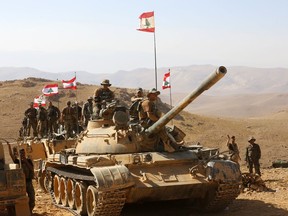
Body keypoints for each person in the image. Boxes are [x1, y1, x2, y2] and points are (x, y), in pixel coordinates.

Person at [14, 149, 35, 213]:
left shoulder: (28, 161)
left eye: (23, 153)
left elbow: (31, 169)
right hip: (20, 183)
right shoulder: (17, 162)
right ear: (19, 154)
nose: (22, 155)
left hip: (28, 182)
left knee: (32, 197)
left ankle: (30, 210)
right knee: (21, 198)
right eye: (21, 154)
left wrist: (25, 161)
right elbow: (12, 155)